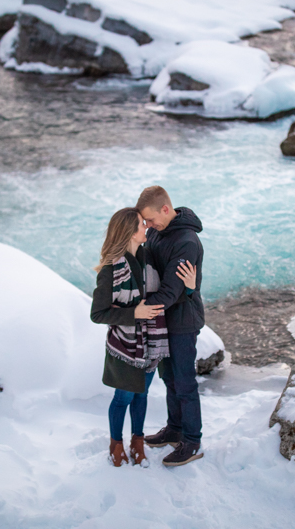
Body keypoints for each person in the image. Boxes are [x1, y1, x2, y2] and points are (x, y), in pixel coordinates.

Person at [90, 207, 197, 467]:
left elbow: (169, 294)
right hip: (124, 347)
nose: (146, 227)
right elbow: (98, 314)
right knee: (123, 398)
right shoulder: (110, 270)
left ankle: (137, 442)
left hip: (151, 344)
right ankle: (116, 444)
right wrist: (133, 313)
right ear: (128, 232)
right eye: (140, 224)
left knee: (141, 395)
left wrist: (191, 289)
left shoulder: (150, 259)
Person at [137, 186, 206, 467]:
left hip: (182, 321)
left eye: (150, 220)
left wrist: (134, 310)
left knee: (185, 383)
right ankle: (174, 428)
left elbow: (170, 292)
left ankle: (191, 440)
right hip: (162, 319)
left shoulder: (187, 242)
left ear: (165, 209)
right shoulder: (156, 231)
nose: (148, 226)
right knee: (169, 378)